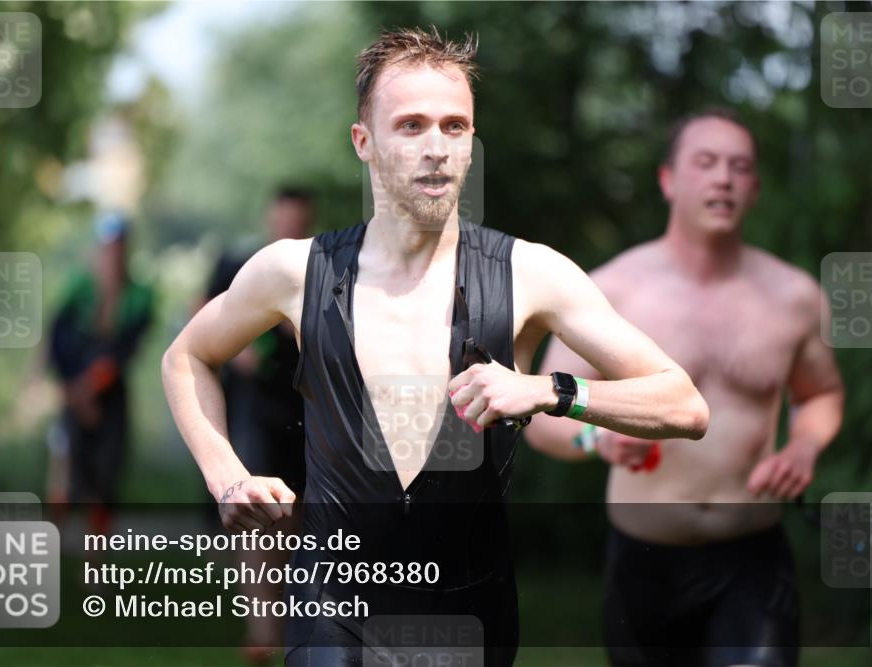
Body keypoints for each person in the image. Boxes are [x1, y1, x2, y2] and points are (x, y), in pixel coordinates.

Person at [162, 27, 708, 667]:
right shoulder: (294, 271)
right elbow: (187, 356)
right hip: (332, 607)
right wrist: (226, 477)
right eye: (411, 125)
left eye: (455, 127)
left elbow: (684, 405)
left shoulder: (531, 274)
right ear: (363, 142)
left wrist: (548, 391)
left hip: (470, 612)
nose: (436, 149)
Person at [524, 109, 844, 667]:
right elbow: (543, 415)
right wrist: (594, 442)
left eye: (739, 166)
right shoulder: (612, 290)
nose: (723, 177)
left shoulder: (793, 296)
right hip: (641, 561)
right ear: (669, 180)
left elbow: (820, 394)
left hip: (751, 558)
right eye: (706, 162)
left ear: (754, 187)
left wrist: (803, 446)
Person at [202, 188, 314, 664]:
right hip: (253, 409)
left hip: (305, 410)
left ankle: (293, 621)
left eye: (298, 221)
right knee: (254, 516)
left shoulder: (319, 269)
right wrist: (238, 350)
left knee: (299, 518)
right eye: (282, 219)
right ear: (271, 218)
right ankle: (260, 630)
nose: (288, 228)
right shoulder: (239, 265)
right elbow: (199, 319)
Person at [49, 211, 154, 535]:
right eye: (108, 247)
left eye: (119, 247)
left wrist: (90, 389)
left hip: (109, 394)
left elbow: (125, 350)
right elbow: (57, 338)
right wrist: (73, 391)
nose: (113, 254)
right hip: (74, 392)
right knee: (74, 470)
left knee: (107, 476)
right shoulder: (78, 289)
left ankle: (94, 561)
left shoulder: (140, 296)